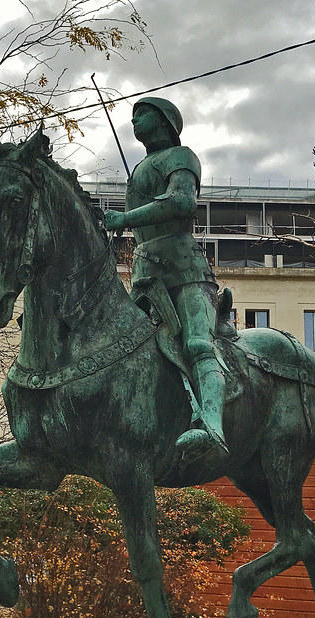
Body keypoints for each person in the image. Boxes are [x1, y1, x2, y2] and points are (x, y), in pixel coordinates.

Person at [103, 97, 227, 458]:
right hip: (145, 271)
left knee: (198, 344)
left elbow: (182, 202)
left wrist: (124, 220)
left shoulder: (182, 156)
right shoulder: (142, 166)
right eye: (132, 116)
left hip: (184, 268)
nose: (134, 121)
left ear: (164, 121)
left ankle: (213, 428)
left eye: (141, 114)